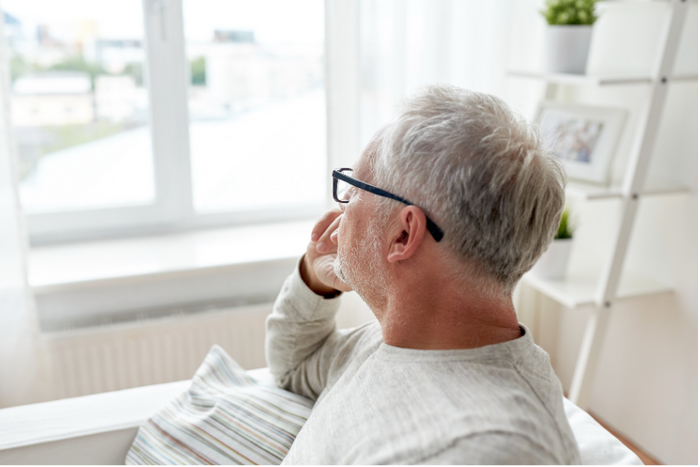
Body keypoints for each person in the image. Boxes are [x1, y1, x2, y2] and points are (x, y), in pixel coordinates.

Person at [266, 85, 582, 465]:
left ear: (402, 234)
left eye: (354, 188)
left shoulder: (482, 450)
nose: (341, 209)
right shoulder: (399, 338)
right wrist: (315, 279)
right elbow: (295, 363)